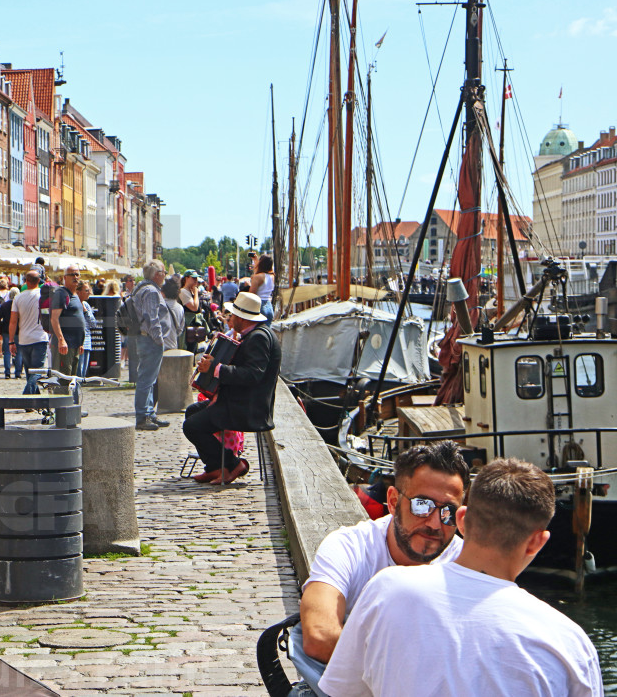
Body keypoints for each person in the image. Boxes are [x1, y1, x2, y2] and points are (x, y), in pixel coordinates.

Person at [320, 458, 601, 697]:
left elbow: (340, 690)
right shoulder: (571, 645)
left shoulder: (386, 589)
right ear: (537, 542)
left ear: (463, 520)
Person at [292, 442, 469, 694]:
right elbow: (319, 635)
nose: (434, 523)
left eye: (448, 511)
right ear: (394, 501)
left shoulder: (467, 563)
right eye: (422, 505)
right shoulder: (349, 547)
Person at [184, 291, 280, 484]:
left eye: (233, 315)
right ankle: (216, 467)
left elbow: (253, 375)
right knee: (192, 412)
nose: (230, 318)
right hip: (240, 401)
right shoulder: (254, 334)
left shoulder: (258, 338)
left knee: (192, 426)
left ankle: (232, 464)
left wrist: (215, 368)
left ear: (243, 318)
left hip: (249, 408)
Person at [130, 261, 172, 431]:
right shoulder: (151, 291)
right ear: (156, 274)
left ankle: (149, 413)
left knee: (150, 378)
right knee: (146, 379)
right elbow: (151, 318)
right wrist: (159, 339)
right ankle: (142, 416)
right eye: (163, 272)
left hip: (146, 339)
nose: (165, 276)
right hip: (150, 340)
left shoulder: (141, 287)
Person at [8, 270, 49, 395]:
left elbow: (13, 321)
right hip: (40, 337)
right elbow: (48, 315)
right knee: (37, 372)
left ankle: (32, 402)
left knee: (29, 372)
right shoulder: (42, 296)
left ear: (25, 281)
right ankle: (26, 397)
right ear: (39, 281)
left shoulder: (18, 297)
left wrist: (11, 341)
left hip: (24, 339)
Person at [50, 265, 86, 376]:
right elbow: (54, 319)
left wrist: (80, 343)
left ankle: (70, 394)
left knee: (72, 379)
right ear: (65, 277)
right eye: (72, 274)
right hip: (64, 345)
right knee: (63, 379)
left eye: (77, 274)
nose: (75, 277)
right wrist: (61, 340)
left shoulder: (75, 295)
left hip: (75, 345)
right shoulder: (61, 294)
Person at [0, 287, 21, 379]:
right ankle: (18, 373)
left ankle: (7, 372)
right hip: (19, 331)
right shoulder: (20, 305)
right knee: (19, 352)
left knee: (7, 352)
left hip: (6, 330)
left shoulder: (5, 305)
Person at [76, 281, 98, 379]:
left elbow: (93, 324)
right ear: (78, 292)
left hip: (87, 343)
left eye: (89, 290)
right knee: (78, 373)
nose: (89, 292)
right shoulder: (73, 305)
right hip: (78, 343)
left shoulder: (86, 305)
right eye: (86, 290)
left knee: (83, 374)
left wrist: (85, 311)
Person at [161, 278, 187, 350]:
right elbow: (180, 330)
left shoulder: (157, 305)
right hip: (173, 347)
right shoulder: (180, 308)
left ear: (163, 291)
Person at [251, 253, 276, 322]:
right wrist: (256, 261)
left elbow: (251, 294)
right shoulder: (272, 276)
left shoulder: (257, 277)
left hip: (259, 306)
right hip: (269, 306)